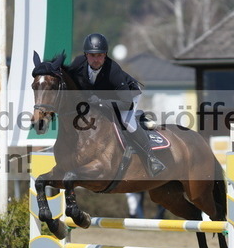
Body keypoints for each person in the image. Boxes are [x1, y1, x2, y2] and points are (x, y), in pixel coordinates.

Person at [68, 33, 165, 176]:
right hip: (101, 96)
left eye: (100, 55)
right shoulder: (77, 63)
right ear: (85, 55)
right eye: (92, 55)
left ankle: (151, 158)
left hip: (128, 97)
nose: (96, 59)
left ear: (105, 55)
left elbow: (126, 103)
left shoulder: (113, 71)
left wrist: (100, 103)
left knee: (126, 122)